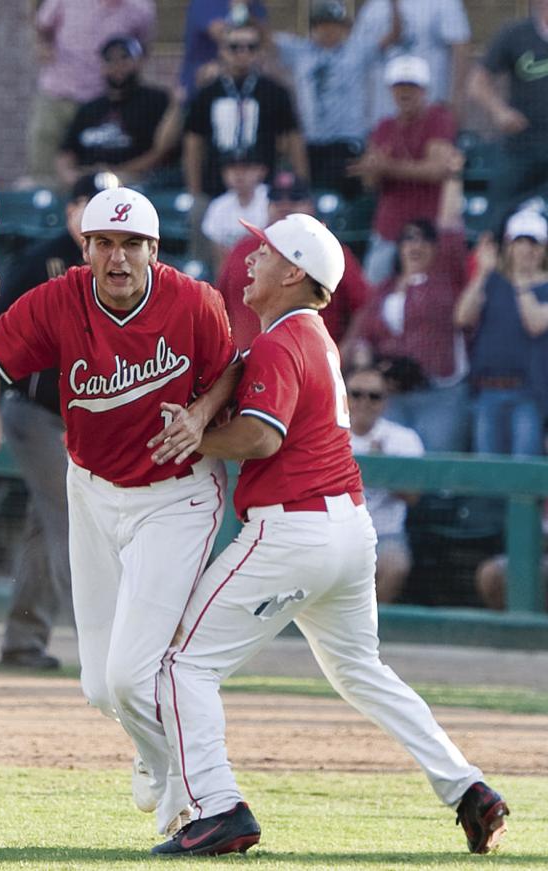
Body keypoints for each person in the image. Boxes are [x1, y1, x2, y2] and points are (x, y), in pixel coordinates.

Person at [148, 212, 509, 857]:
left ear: (294, 273)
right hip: (347, 529)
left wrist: (192, 436)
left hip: (293, 530)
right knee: (361, 670)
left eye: (263, 250)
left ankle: (217, 805)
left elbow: (262, 436)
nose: (249, 257)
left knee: (183, 665)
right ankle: (468, 788)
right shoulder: (305, 333)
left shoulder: (285, 338)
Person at [0, 186, 241, 837]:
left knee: (133, 674)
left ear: (154, 251)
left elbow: (230, 372)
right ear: (85, 249)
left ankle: (193, 791)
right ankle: (159, 757)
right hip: (93, 486)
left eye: (131, 244)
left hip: (178, 492)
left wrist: (197, 413)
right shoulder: (59, 299)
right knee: (100, 686)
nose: (117, 256)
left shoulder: (193, 301)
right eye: (104, 242)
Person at [0, 171, 119, 671]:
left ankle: (21, 643)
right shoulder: (43, 261)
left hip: (76, 420)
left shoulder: (114, 264)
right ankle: (100, 647)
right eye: (87, 203)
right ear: (71, 211)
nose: (94, 212)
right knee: (72, 523)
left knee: (43, 528)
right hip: (33, 413)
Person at [342, 177, 470, 453]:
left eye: (425, 240)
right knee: (395, 463)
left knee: (436, 470)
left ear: (436, 249)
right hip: (393, 394)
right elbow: (366, 336)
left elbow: (450, 228)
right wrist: (372, 369)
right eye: (408, 239)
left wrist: (452, 176)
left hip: (438, 392)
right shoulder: (385, 287)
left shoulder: (446, 277)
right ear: (399, 248)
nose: (416, 245)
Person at [182, 19, 306, 267]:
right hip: (214, 186)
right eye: (235, 46)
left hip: (265, 189)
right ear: (222, 50)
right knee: (203, 233)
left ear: (260, 51)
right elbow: (193, 143)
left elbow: (293, 139)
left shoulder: (275, 91)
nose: (242, 53)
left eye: (250, 46)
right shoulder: (207, 92)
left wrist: (303, 182)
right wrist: (195, 190)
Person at [216, 171, 369, 351]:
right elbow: (219, 304)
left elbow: (364, 306)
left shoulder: (327, 252)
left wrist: (343, 353)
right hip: (247, 365)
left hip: (296, 361)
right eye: (277, 199)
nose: (284, 205)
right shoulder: (242, 248)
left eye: (295, 198)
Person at [350, 54, 461, 287]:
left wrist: (388, 167)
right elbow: (370, 182)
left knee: (429, 292)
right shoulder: (385, 126)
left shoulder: (438, 118)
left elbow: (437, 169)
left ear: (424, 89)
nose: (405, 92)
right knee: (373, 291)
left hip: (429, 228)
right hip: (389, 226)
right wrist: (373, 169)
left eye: (412, 86)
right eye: (399, 86)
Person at [269, 0, 401, 195]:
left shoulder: (358, 50)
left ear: (344, 28)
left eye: (334, 24)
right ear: (313, 27)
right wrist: (246, 8)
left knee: (346, 197)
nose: (328, 30)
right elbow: (263, 39)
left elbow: (393, 36)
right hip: (311, 142)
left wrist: (395, 6)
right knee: (311, 196)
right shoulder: (299, 51)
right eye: (322, 24)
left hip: (347, 140)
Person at [26, 0, 157, 187]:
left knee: (102, 175)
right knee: (45, 171)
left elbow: (143, 47)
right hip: (59, 93)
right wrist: (43, 47)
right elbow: (41, 27)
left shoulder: (141, 7)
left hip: (102, 100)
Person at [454, 211, 548, 458]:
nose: (526, 250)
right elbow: (462, 317)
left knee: (521, 473)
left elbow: (536, 324)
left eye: (533, 243)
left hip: (529, 394)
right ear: (508, 245)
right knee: (488, 472)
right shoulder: (492, 281)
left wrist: (522, 281)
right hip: (487, 390)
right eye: (519, 242)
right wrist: (482, 273)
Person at [55, 35, 181, 189]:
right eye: (110, 60)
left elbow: (162, 151)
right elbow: (66, 152)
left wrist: (114, 173)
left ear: (139, 61)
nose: (117, 66)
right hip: (88, 181)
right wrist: (70, 176)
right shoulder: (89, 107)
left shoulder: (157, 100)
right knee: (28, 187)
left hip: (137, 182)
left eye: (124, 58)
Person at [469, 0, 548, 235]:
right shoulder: (516, 33)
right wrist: (499, 111)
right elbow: (477, 82)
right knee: (497, 219)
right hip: (520, 146)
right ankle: (490, 268)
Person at [346, 365, 424, 603]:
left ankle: (369, 630)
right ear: (344, 397)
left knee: (395, 565)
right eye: (356, 394)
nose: (364, 402)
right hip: (335, 530)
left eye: (374, 396)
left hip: (385, 534)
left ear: (385, 402)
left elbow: (413, 497)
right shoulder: (326, 433)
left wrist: (384, 470)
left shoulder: (403, 438)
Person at [354, 0, 471, 127]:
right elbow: (357, 56)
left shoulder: (444, 3)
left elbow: (460, 48)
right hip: (380, 120)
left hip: (429, 118)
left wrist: (457, 102)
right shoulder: (372, 6)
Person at [179, 0, 267, 98]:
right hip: (203, 85)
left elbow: (262, 39)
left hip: (244, 86)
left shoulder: (256, 6)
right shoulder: (205, 3)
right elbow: (225, 37)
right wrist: (239, 9)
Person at [200, 149, 268, 275]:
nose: (238, 174)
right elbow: (219, 258)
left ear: (261, 171)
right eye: (232, 169)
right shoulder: (218, 206)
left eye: (246, 168)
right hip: (234, 271)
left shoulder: (271, 199)